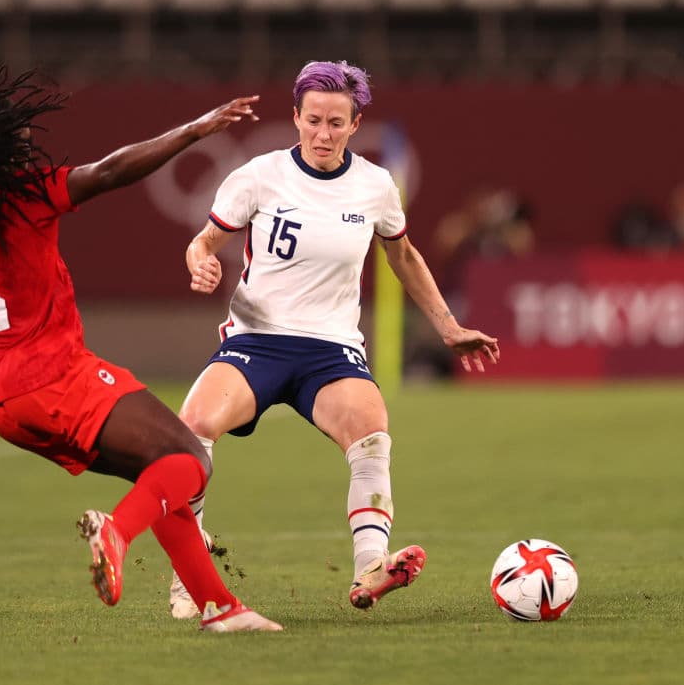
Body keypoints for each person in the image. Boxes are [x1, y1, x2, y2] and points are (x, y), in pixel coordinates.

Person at [0, 68, 281, 633]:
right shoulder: (25, 197)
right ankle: (117, 532)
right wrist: (196, 130)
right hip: (57, 377)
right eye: (13, 131)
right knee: (191, 462)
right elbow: (109, 172)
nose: (25, 138)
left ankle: (219, 607)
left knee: (157, 476)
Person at [167, 61, 500, 619]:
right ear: (295, 117)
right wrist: (200, 265)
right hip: (258, 339)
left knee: (371, 431)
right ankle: (189, 573)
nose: (324, 134)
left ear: (355, 124)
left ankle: (371, 567)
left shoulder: (374, 186)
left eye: (337, 123)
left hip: (331, 349)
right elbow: (203, 243)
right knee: (193, 427)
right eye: (314, 120)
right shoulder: (258, 175)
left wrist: (448, 326)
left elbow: (404, 256)